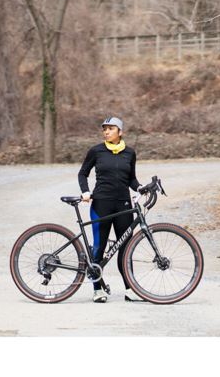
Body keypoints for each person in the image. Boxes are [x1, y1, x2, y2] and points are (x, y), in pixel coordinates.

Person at [77, 116, 142, 303]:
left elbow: (132, 179)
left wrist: (140, 188)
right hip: (101, 204)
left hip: (123, 206)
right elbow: (83, 173)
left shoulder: (130, 153)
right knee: (100, 246)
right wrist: (85, 192)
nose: (106, 131)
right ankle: (97, 290)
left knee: (126, 249)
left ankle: (130, 289)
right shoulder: (96, 151)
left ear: (120, 132)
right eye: (104, 129)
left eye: (111, 128)